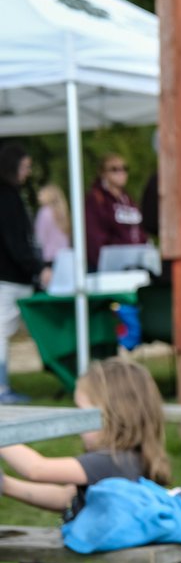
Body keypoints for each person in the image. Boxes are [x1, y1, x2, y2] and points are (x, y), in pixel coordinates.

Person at [0, 358, 172, 563]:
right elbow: (64, 497)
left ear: (112, 414)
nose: (77, 425)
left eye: (82, 414)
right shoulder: (131, 458)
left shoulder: (110, 461)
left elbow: (36, 468)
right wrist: (7, 485)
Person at [0, 144, 50, 405]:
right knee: (1, 333)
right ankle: (1, 388)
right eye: (26, 166)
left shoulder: (12, 195)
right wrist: (36, 268)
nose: (28, 172)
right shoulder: (6, 197)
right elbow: (15, 241)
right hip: (8, 277)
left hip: (12, 276)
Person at [84, 153, 145, 271]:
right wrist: (101, 263)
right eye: (114, 169)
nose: (121, 173)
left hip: (133, 264)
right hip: (109, 268)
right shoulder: (96, 200)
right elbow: (94, 236)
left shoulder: (128, 200)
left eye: (124, 169)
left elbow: (140, 230)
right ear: (103, 173)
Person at [34, 183, 71, 264]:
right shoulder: (63, 213)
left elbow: (39, 239)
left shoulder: (44, 212)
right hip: (65, 258)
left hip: (49, 259)